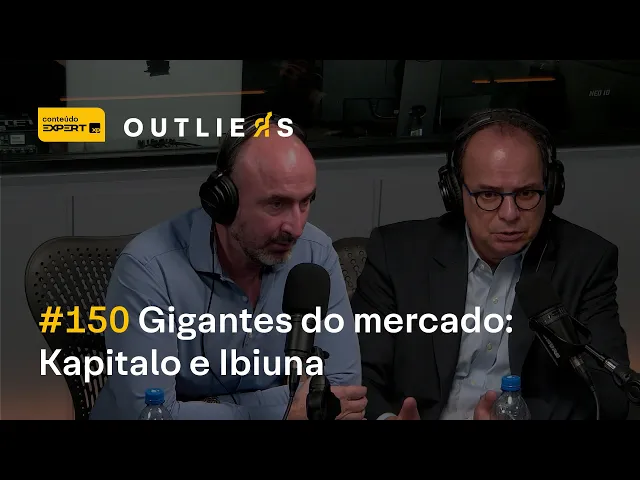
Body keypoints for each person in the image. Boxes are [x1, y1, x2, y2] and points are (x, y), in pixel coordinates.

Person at [352, 108, 630, 420]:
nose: (510, 214)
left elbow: (609, 393)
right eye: (488, 195)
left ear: (551, 188)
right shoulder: (398, 253)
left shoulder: (586, 261)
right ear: (455, 192)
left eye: (527, 193)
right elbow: (355, 370)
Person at [90, 113, 365, 420]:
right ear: (223, 200)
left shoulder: (315, 253)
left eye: (305, 202)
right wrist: (286, 410)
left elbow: (343, 391)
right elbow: (151, 412)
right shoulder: (147, 269)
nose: (296, 228)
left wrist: (207, 406)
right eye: (276, 204)